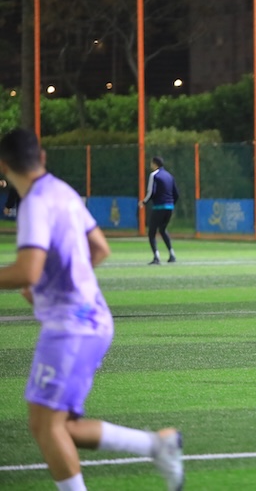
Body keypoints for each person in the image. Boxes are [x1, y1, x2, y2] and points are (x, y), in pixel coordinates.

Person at [0, 128, 184, 491]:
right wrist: (58, 286)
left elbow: (28, 271)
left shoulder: (34, 202)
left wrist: (48, 288)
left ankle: (156, 447)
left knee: (48, 427)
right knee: (53, 425)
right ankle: (155, 445)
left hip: (70, 326)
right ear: (42, 157)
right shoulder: (63, 192)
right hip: (88, 319)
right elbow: (99, 248)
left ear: (3, 166)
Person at [139, 156, 179, 265]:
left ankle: (156, 257)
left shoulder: (154, 175)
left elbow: (151, 192)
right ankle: (172, 255)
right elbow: (176, 194)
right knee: (162, 230)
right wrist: (171, 204)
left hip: (159, 207)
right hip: (169, 207)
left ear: (155, 164)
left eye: (151, 163)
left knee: (152, 232)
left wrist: (144, 202)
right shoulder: (170, 176)